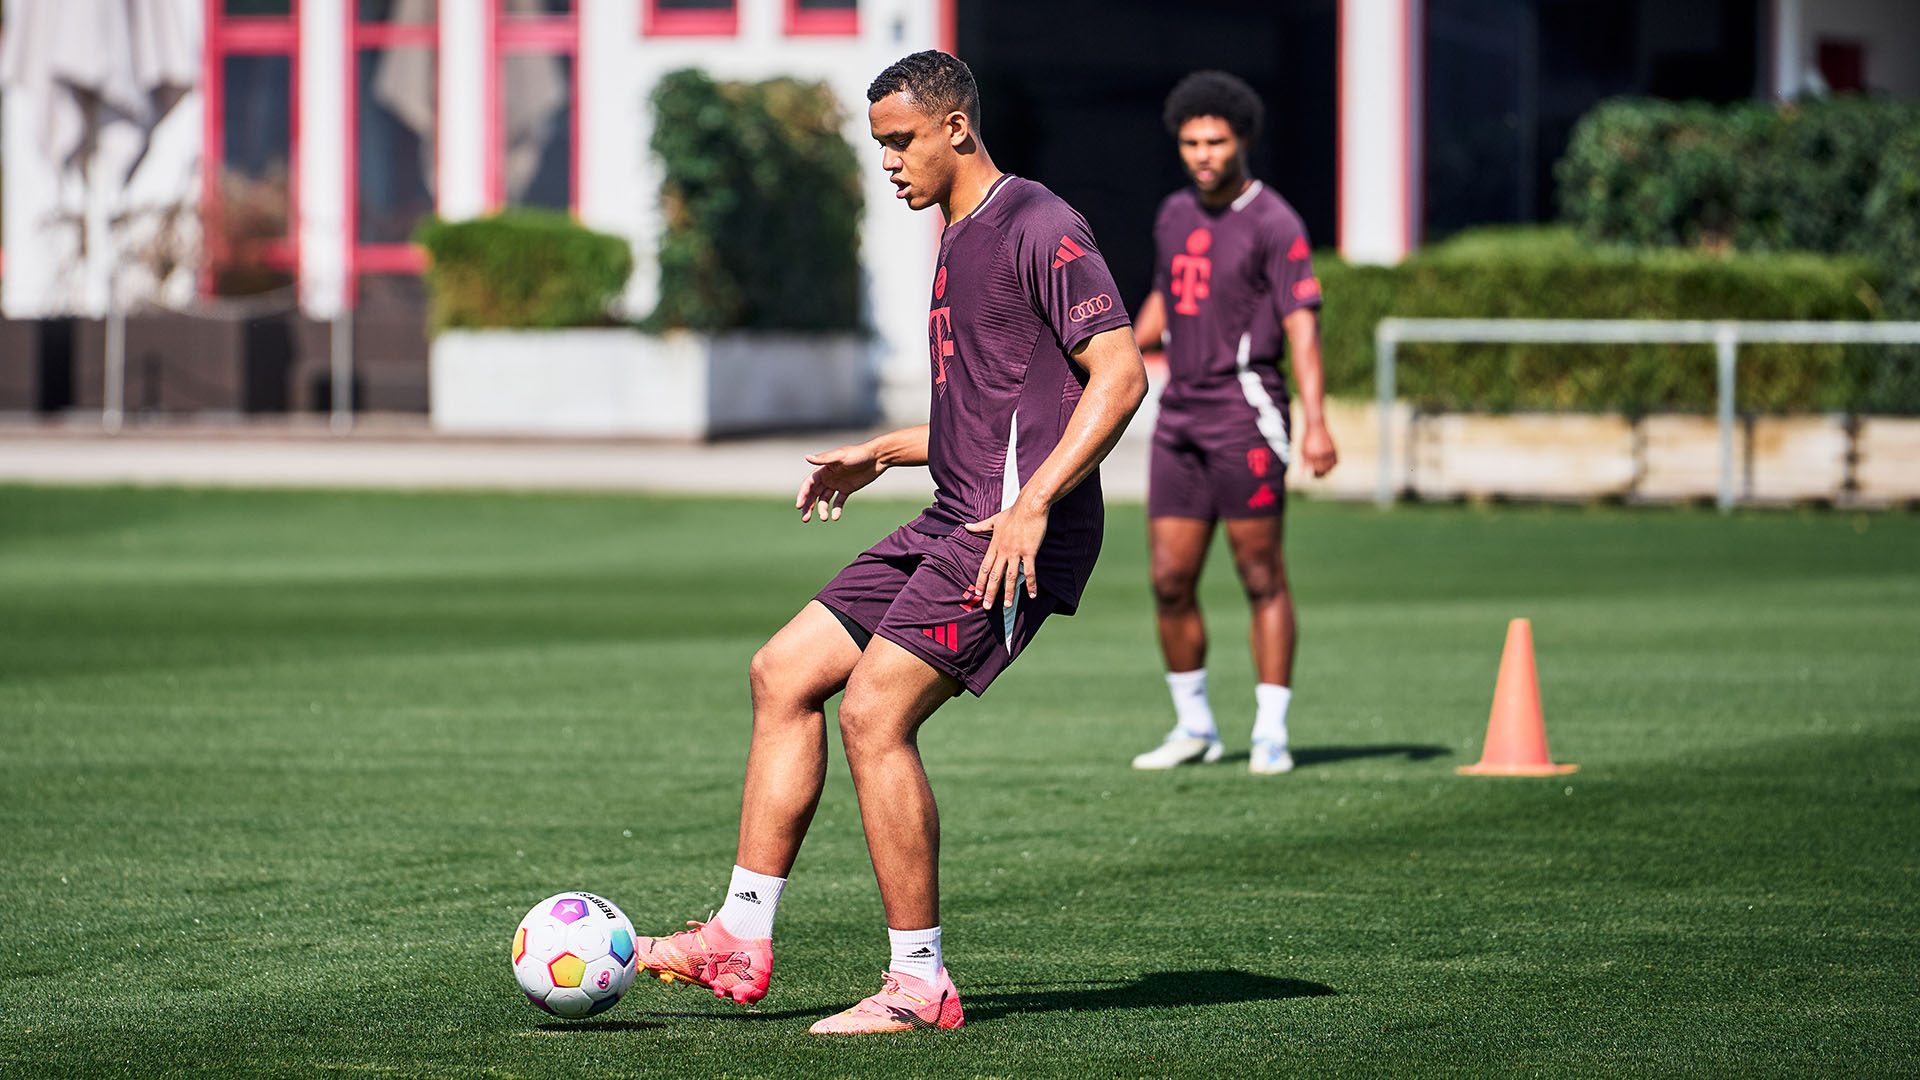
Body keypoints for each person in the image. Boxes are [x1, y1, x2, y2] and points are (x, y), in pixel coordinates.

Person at [632, 50, 1147, 1035]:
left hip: (1012, 532)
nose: (889, 163)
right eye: (879, 146)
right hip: (954, 510)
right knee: (782, 672)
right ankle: (741, 934)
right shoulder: (956, 236)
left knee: (874, 713)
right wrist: (884, 449)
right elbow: (999, 408)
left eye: (901, 140)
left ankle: (920, 983)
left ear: (957, 127)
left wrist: (1036, 504)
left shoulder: (1039, 222)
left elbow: (1118, 375)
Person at [1128, 70, 1338, 776]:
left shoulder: (1274, 221)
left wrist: (1316, 423)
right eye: (1190, 142)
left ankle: (1271, 731)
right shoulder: (1172, 214)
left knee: (1259, 574)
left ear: (1242, 139)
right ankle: (1195, 727)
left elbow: (1302, 327)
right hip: (1179, 416)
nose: (1203, 154)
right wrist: (1115, 355)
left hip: (1246, 415)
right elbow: (1165, 298)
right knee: (1167, 580)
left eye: (1215, 140)